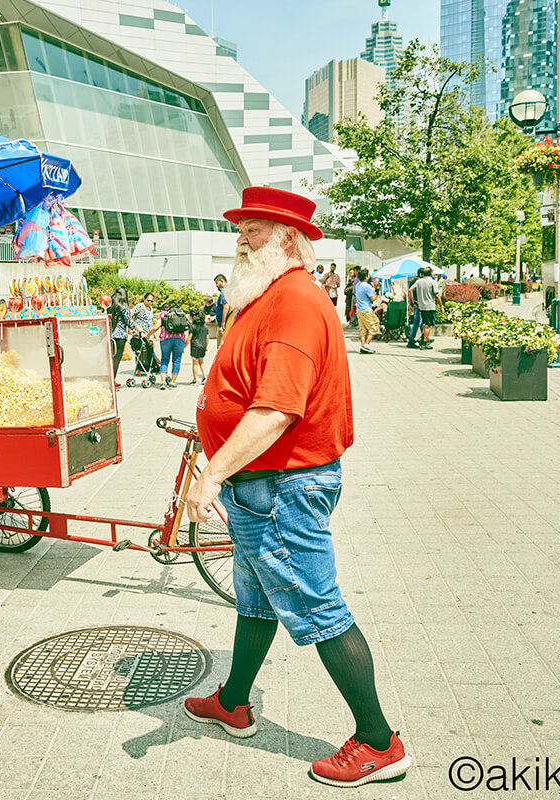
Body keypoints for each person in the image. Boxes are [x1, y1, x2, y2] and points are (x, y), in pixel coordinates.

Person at [183, 186, 409, 789]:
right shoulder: (267, 294)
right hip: (263, 483)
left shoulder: (294, 301)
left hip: (283, 486)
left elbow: (276, 410)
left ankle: (378, 740)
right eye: (242, 228)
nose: (241, 239)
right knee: (255, 597)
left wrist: (211, 473)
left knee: (317, 606)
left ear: (287, 240)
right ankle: (235, 702)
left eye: (253, 230)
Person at [151, 302, 189, 389]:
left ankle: (163, 381)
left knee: (164, 360)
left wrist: (147, 334)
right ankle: (173, 382)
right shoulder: (180, 313)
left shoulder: (162, 314)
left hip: (165, 339)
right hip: (180, 339)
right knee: (177, 361)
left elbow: (156, 327)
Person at [409, 266, 443, 350]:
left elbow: (410, 290)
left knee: (424, 324)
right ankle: (424, 343)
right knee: (428, 325)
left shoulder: (419, 281)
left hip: (421, 306)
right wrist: (441, 306)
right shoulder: (432, 282)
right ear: (430, 273)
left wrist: (414, 301)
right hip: (430, 306)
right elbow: (437, 294)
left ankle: (422, 340)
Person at [130, 292, 157, 379]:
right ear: (144, 299)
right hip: (139, 333)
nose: (149, 302)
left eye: (151, 301)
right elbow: (129, 316)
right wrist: (133, 327)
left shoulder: (151, 308)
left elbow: (150, 321)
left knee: (147, 350)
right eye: (148, 300)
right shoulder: (139, 306)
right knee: (139, 351)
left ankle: (146, 367)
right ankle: (139, 368)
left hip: (147, 334)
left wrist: (153, 332)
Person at [107, 288, 131, 382]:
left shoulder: (110, 304)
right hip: (120, 337)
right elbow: (128, 321)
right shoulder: (124, 306)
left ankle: (110, 380)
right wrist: (137, 328)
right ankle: (112, 381)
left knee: (110, 359)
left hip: (109, 334)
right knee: (116, 360)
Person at [353, 267, 379, 354]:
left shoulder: (358, 285)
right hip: (366, 309)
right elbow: (372, 299)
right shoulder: (366, 286)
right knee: (374, 326)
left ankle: (362, 346)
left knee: (363, 329)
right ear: (366, 277)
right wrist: (376, 292)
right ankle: (366, 345)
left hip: (359, 309)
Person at [187, 308, 209, 384]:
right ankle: (204, 376)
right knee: (201, 362)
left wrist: (185, 346)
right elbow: (207, 337)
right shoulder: (205, 326)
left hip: (195, 347)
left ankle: (195, 379)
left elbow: (189, 337)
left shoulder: (193, 326)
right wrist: (206, 347)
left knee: (195, 363)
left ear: (193, 317)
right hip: (203, 346)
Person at [212, 274, 228, 347]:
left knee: (220, 346)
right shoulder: (231, 290)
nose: (216, 286)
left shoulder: (224, 293)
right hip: (229, 323)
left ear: (222, 281)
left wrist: (223, 324)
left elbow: (226, 307)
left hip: (225, 325)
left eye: (217, 283)